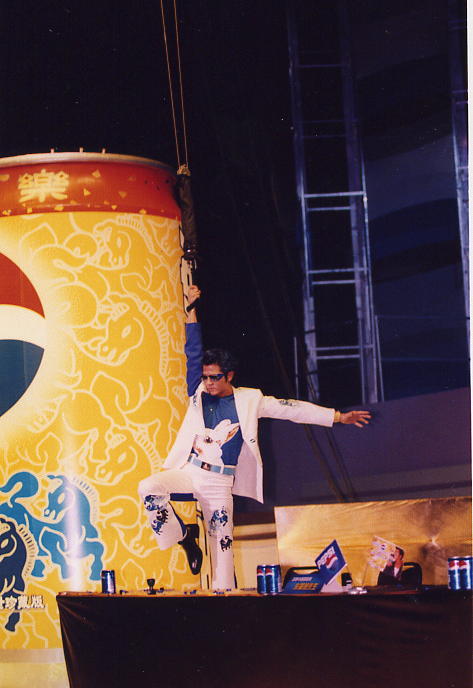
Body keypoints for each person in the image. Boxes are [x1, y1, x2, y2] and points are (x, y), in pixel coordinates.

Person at [138, 286, 371, 589]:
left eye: (215, 377)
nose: (208, 383)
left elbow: (291, 409)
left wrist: (337, 417)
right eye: (205, 377)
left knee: (223, 558)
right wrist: (191, 309)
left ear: (230, 376)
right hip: (191, 472)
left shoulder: (251, 400)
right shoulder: (198, 392)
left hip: (220, 483)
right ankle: (183, 536)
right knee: (149, 487)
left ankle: (224, 601)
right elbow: (192, 351)